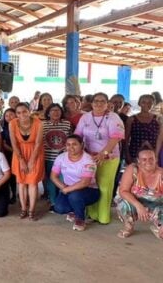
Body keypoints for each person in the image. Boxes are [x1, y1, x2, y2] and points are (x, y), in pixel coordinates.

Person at [75, 92, 124, 224]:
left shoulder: (113, 117)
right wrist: (83, 152)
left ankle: (103, 217)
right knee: (91, 185)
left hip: (109, 157)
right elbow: (78, 136)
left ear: (107, 103)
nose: (99, 103)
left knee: (104, 187)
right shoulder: (85, 117)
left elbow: (116, 137)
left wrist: (104, 153)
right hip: (89, 156)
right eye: (96, 101)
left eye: (103, 101)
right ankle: (92, 213)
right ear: (91, 103)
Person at [51, 135, 100, 231]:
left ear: (82, 145)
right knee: (59, 208)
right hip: (68, 189)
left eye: (74, 144)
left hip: (89, 190)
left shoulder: (89, 160)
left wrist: (67, 190)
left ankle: (80, 219)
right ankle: (74, 209)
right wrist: (63, 187)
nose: (71, 147)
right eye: (68, 144)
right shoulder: (61, 157)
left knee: (75, 196)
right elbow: (53, 176)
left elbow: (85, 182)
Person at [115, 147, 163, 239]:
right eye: (144, 159)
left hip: (157, 206)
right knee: (122, 203)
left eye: (151, 159)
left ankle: (159, 225)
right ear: (138, 161)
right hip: (135, 202)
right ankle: (129, 227)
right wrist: (138, 206)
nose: (148, 162)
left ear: (156, 159)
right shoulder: (133, 170)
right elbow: (123, 191)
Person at [10, 103, 45, 221]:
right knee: (21, 182)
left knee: (33, 182)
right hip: (19, 153)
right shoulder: (13, 123)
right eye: (18, 112)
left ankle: (32, 210)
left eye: (24, 111)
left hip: (35, 153)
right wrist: (21, 160)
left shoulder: (38, 123)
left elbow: (38, 143)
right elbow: (14, 143)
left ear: (29, 111)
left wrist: (31, 161)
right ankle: (24, 209)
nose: (22, 115)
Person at [42, 103, 72, 208]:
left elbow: (71, 138)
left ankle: (62, 201)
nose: (56, 112)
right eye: (53, 110)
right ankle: (53, 201)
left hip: (64, 158)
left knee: (63, 180)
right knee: (50, 181)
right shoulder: (43, 124)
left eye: (58, 110)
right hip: (48, 157)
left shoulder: (67, 124)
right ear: (48, 113)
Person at [124, 94, 159, 165]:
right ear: (139, 103)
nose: (146, 104)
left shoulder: (158, 119)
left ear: (153, 104)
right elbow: (126, 139)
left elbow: (160, 138)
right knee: (135, 174)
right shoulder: (131, 119)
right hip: (135, 153)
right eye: (143, 102)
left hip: (152, 153)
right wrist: (127, 155)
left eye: (150, 102)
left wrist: (157, 154)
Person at [2, 108, 17, 203]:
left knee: (17, 176)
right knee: (9, 175)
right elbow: (3, 143)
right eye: (6, 116)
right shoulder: (3, 128)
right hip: (8, 154)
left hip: (20, 154)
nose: (9, 117)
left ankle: (17, 195)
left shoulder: (20, 126)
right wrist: (15, 152)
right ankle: (10, 195)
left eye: (11, 114)